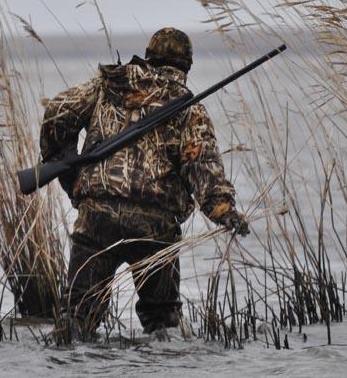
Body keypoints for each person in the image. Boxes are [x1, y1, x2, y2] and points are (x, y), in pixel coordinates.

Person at [39, 27, 249, 341]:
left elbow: (57, 113)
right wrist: (224, 211)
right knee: (162, 326)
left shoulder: (107, 86)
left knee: (76, 322)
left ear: (148, 58)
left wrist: (74, 180)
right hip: (155, 226)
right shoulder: (190, 108)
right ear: (186, 67)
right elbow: (202, 167)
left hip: (97, 217)